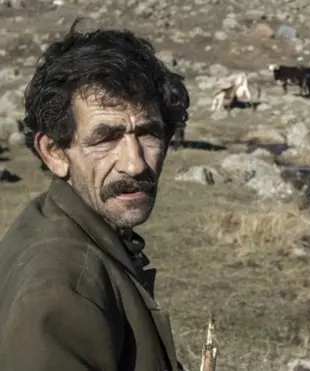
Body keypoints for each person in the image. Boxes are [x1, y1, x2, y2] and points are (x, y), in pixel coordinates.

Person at [0, 17, 190, 371]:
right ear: (55, 152)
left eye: (148, 133)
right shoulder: (62, 290)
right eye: (106, 138)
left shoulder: (52, 218)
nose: (134, 165)